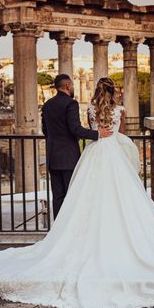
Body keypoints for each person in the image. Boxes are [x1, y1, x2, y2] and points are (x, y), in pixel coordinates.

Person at [0, 77, 154, 308]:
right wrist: (106, 137)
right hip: (112, 152)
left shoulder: (81, 108)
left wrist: (95, 135)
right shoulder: (118, 110)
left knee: (78, 199)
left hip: (89, 153)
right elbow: (120, 134)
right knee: (121, 199)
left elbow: (57, 130)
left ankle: (63, 233)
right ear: (113, 91)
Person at [40, 73, 112, 219]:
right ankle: (69, 230)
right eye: (72, 85)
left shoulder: (47, 104)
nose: (72, 88)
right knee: (72, 195)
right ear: (67, 86)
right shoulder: (71, 103)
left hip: (53, 157)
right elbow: (75, 129)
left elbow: (45, 130)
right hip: (69, 158)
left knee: (58, 196)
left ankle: (58, 229)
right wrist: (98, 134)